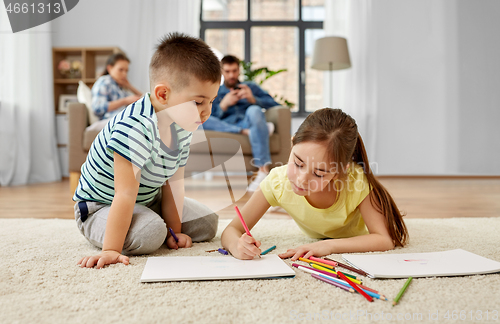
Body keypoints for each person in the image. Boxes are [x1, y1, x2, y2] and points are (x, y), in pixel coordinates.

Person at [74, 33, 222, 269]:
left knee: (208, 223)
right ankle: (130, 230)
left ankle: (156, 223)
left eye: (211, 101)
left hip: (147, 199)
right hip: (100, 206)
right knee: (150, 234)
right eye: (198, 102)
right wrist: (111, 250)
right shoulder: (134, 126)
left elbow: (173, 184)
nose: (207, 112)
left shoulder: (183, 125)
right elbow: (124, 194)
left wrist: (174, 232)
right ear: (163, 94)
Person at [221, 108, 409, 260]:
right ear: (292, 143)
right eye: (298, 163)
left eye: (319, 174)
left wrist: (327, 245)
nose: (302, 179)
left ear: (339, 171)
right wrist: (237, 246)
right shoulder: (277, 182)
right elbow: (231, 230)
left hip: (355, 237)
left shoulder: (355, 181)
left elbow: (384, 239)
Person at [202, 55, 280, 192]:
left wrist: (253, 99)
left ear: (239, 70)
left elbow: (275, 104)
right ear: (221, 72)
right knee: (202, 120)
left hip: (248, 120)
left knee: (254, 110)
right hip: (227, 124)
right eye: (227, 71)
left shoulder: (251, 87)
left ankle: (263, 170)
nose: (231, 75)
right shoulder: (216, 91)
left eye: (234, 71)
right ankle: (250, 131)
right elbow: (208, 116)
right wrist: (223, 106)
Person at [91, 53, 143, 120]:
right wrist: (125, 101)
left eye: (126, 71)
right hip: (110, 120)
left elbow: (144, 98)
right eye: (121, 70)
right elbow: (97, 108)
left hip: (122, 118)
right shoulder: (104, 82)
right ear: (109, 68)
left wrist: (129, 86)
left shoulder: (119, 86)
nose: (124, 74)